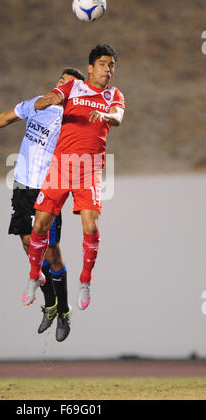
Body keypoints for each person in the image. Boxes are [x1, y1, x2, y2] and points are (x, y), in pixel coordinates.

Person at [0, 68, 85, 342]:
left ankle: (64, 311)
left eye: (67, 84)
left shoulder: (72, 118)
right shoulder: (38, 104)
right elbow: (6, 117)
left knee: (51, 253)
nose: (60, 85)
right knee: (29, 245)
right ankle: (50, 303)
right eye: (60, 80)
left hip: (48, 189)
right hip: (22, 186)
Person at [23, 45, 125, 329]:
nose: (108, 69)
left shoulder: (113, 95)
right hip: (61, 166)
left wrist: (106, 116)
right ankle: (34, 276)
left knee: (91, 227)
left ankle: (85, 281)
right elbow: (55, 96)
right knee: (40, 225)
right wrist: (45, 101)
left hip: (89, 169)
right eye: (103, 64)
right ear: (90, 67)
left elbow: (117, 116)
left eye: (112, 65)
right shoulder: (75, 87)